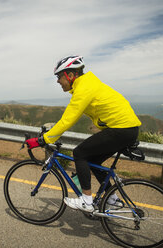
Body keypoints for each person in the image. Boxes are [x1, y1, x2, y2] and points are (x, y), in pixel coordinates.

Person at [26, 55, 141, 212]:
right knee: (93, 160)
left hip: (121, 129)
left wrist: (43, 139)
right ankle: (112, 199)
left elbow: (68, 120)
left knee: (79, 153)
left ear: (71, 75)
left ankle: (86, 201)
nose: (58, 81)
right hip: (126, 129)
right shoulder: (87, 84)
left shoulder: (84, 88)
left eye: (59, 77)